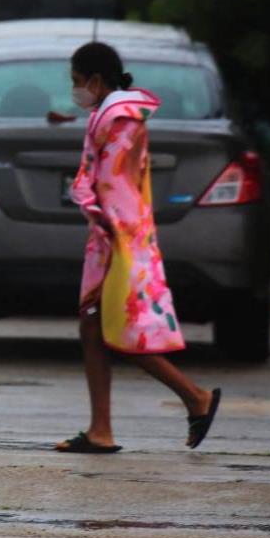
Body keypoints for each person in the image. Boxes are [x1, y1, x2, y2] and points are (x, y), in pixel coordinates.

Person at [57, 41, 220, 454]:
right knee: (94, 328)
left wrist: (101, 218)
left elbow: (111, 181)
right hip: (111, 235)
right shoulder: (109, 114)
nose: (75, 91)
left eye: (77, 82)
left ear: (95, 80)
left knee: (118, 331)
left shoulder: (120, 118)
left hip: (119, 237)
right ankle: (100, 430)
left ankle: (195, 397)